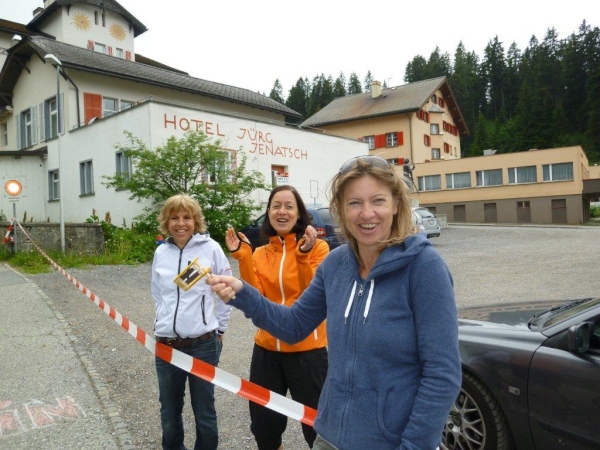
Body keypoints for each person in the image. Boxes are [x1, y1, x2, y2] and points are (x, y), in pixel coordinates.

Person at [207, 156, 461, 450]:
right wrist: (243, 293)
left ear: (396, 205)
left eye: (378, 200)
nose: (367, 213)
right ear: (340, 209)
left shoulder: (424, 267)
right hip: (328, 436)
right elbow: (293, 325)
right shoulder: (336, 264)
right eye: (354, 203)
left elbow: (442, 374)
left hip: (389, 443)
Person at [225, 185, 329, 450]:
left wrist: (303, 257)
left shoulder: (319, 248)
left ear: (299, 213)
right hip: (267, 351)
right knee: (264, 428)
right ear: (268, 212)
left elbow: (313, 297)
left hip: (308, 352)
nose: (282, 211)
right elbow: (255, 301)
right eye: (276, 206)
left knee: (318, 430)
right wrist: (244, 257)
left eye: (289, 206)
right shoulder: (260, 254)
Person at [151, 194, 232, 450]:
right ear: (166, 221)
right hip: (167, 345)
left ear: (196, 221)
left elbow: (227, 292)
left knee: (204, 413)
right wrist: (162, 323)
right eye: (174, 217)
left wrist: (220, 328)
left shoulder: (211, 249)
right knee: (169, 412)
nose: (181, 223)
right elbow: (157, 293)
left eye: (187, 217)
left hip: (203, 345)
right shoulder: (161, 252)